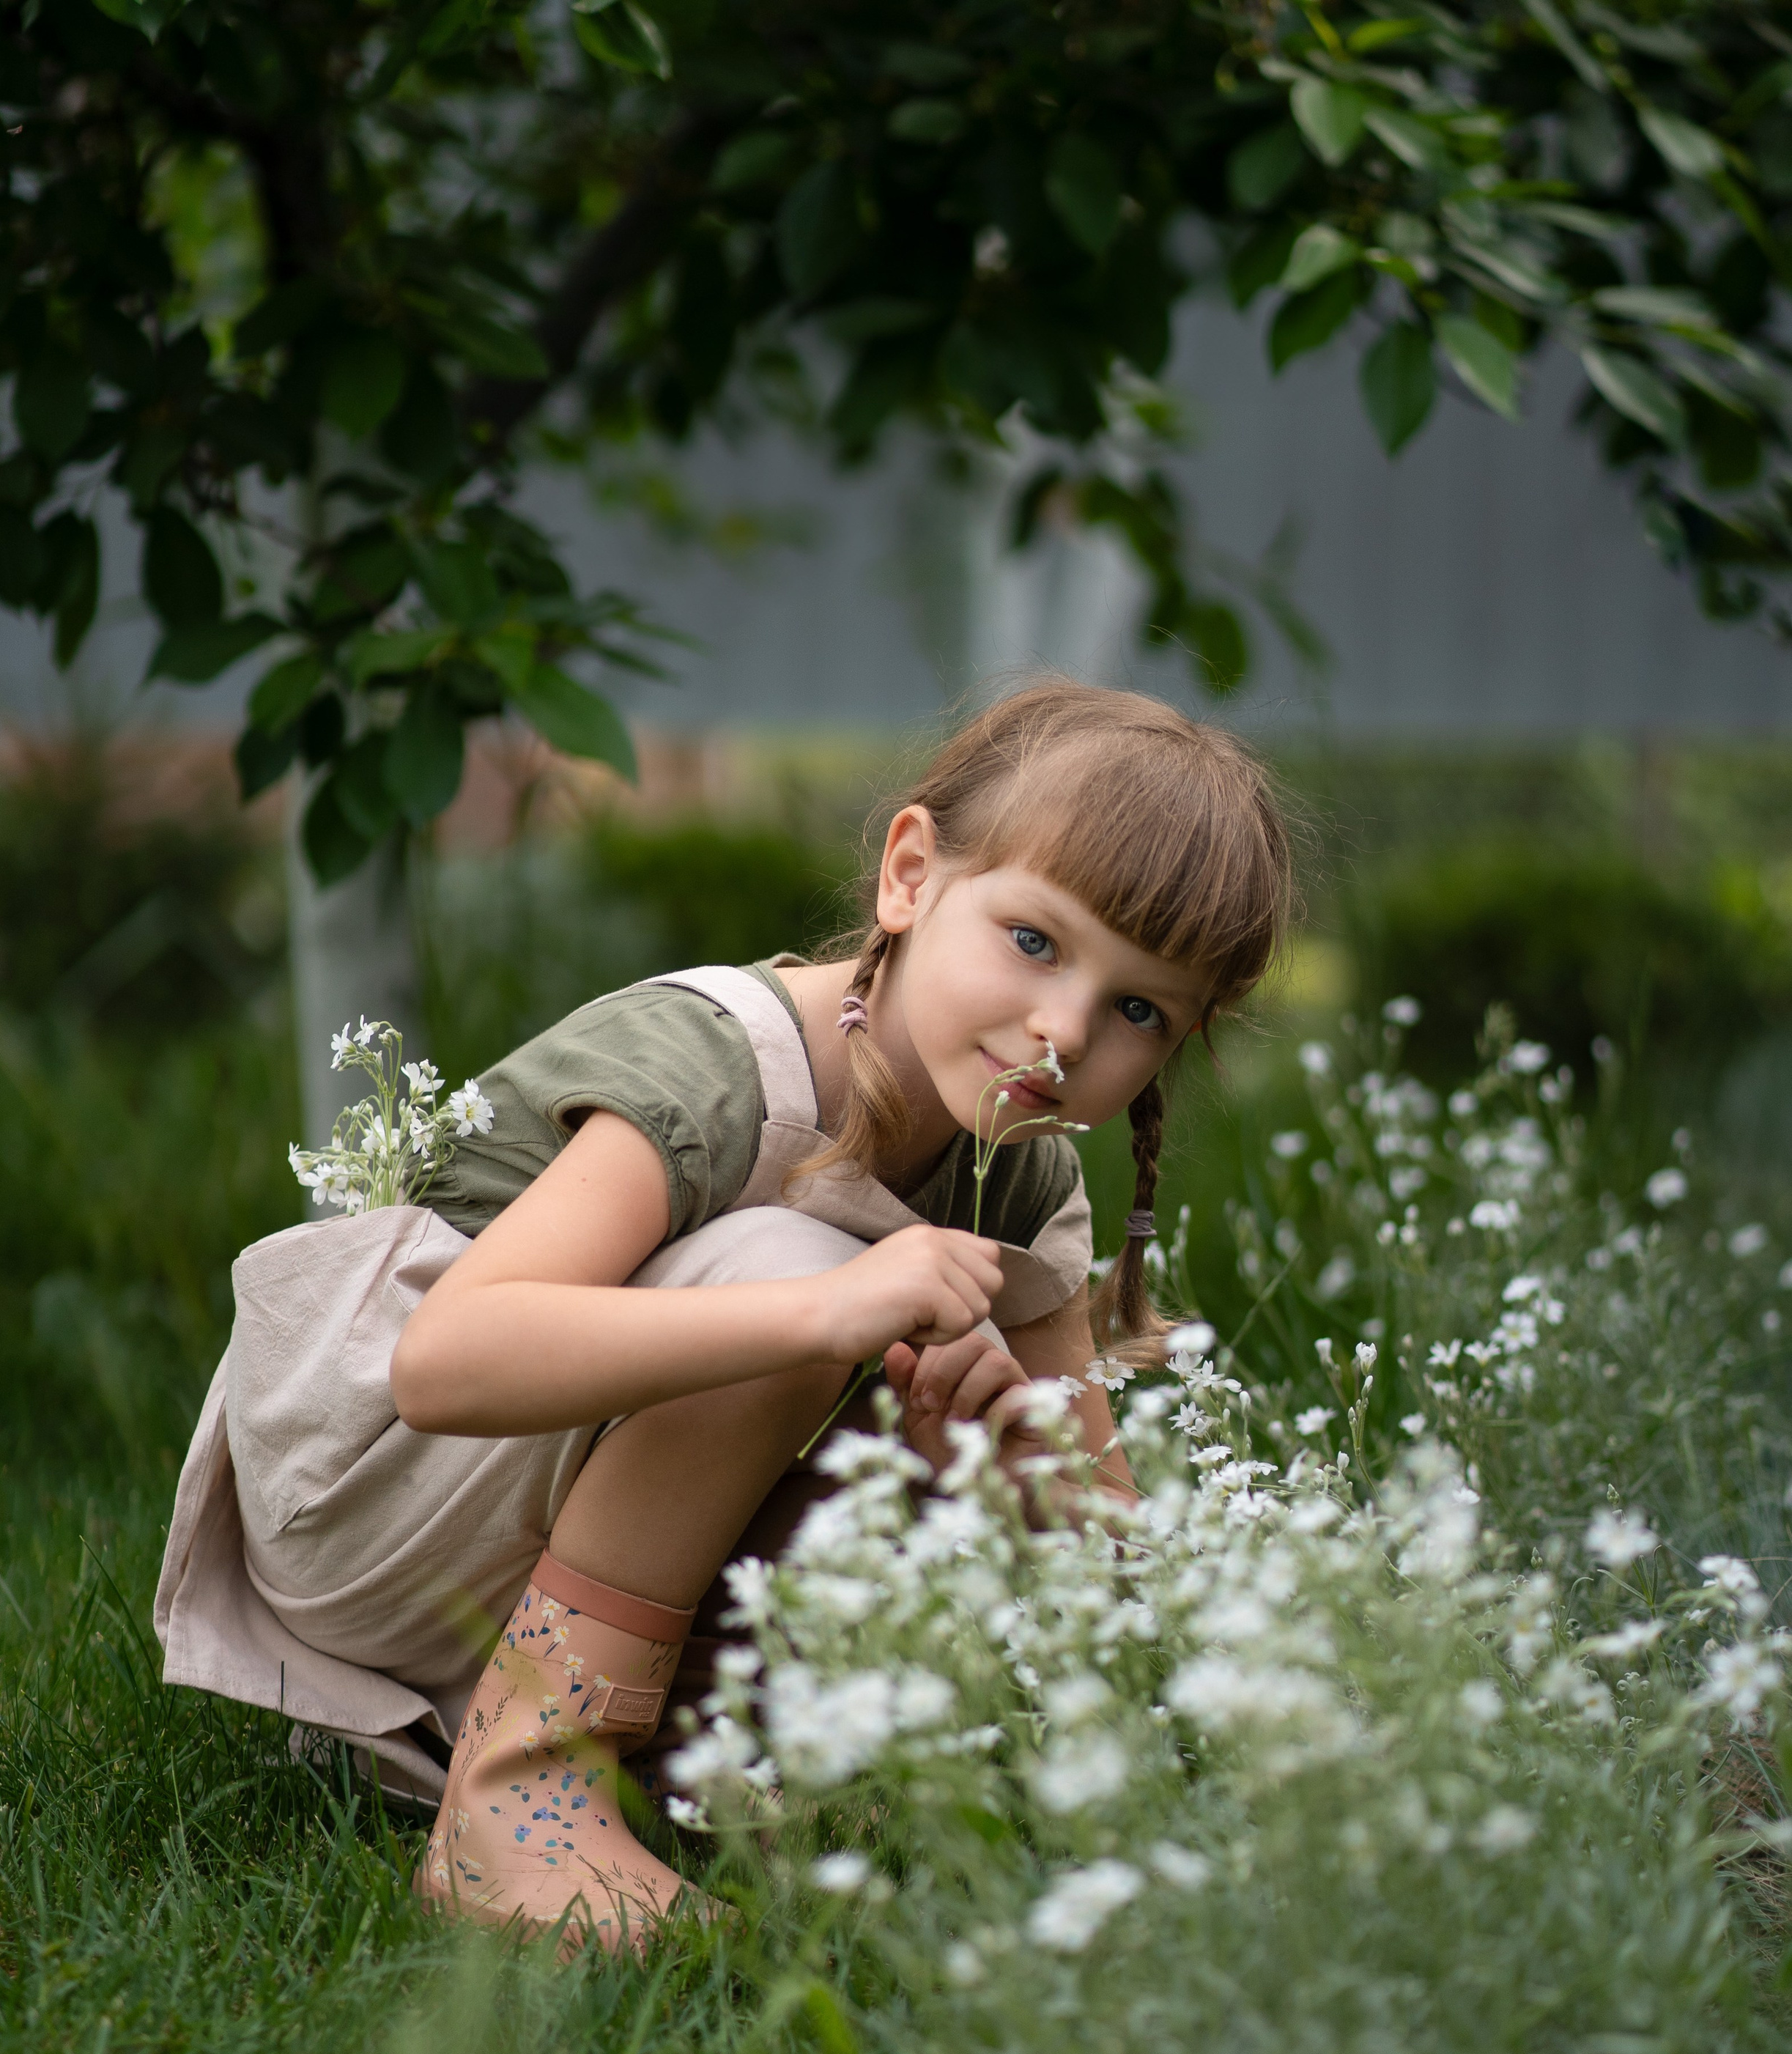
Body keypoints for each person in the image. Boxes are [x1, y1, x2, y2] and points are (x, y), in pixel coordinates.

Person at [154, 681, 1292, 1947]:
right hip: (364, 1496)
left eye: (1139, 1010)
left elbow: (1103, 1533)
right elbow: (445, 1362)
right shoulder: (720, 1068)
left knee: (934, 1420)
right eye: (1035, 941)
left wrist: (1021, 1485)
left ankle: (675, 1759)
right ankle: (516, 1807)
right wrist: (824, 1313)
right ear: (910, 875)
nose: (1065, 1029)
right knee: (781, 1272)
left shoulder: (1023, 1171)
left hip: (506, 1535)